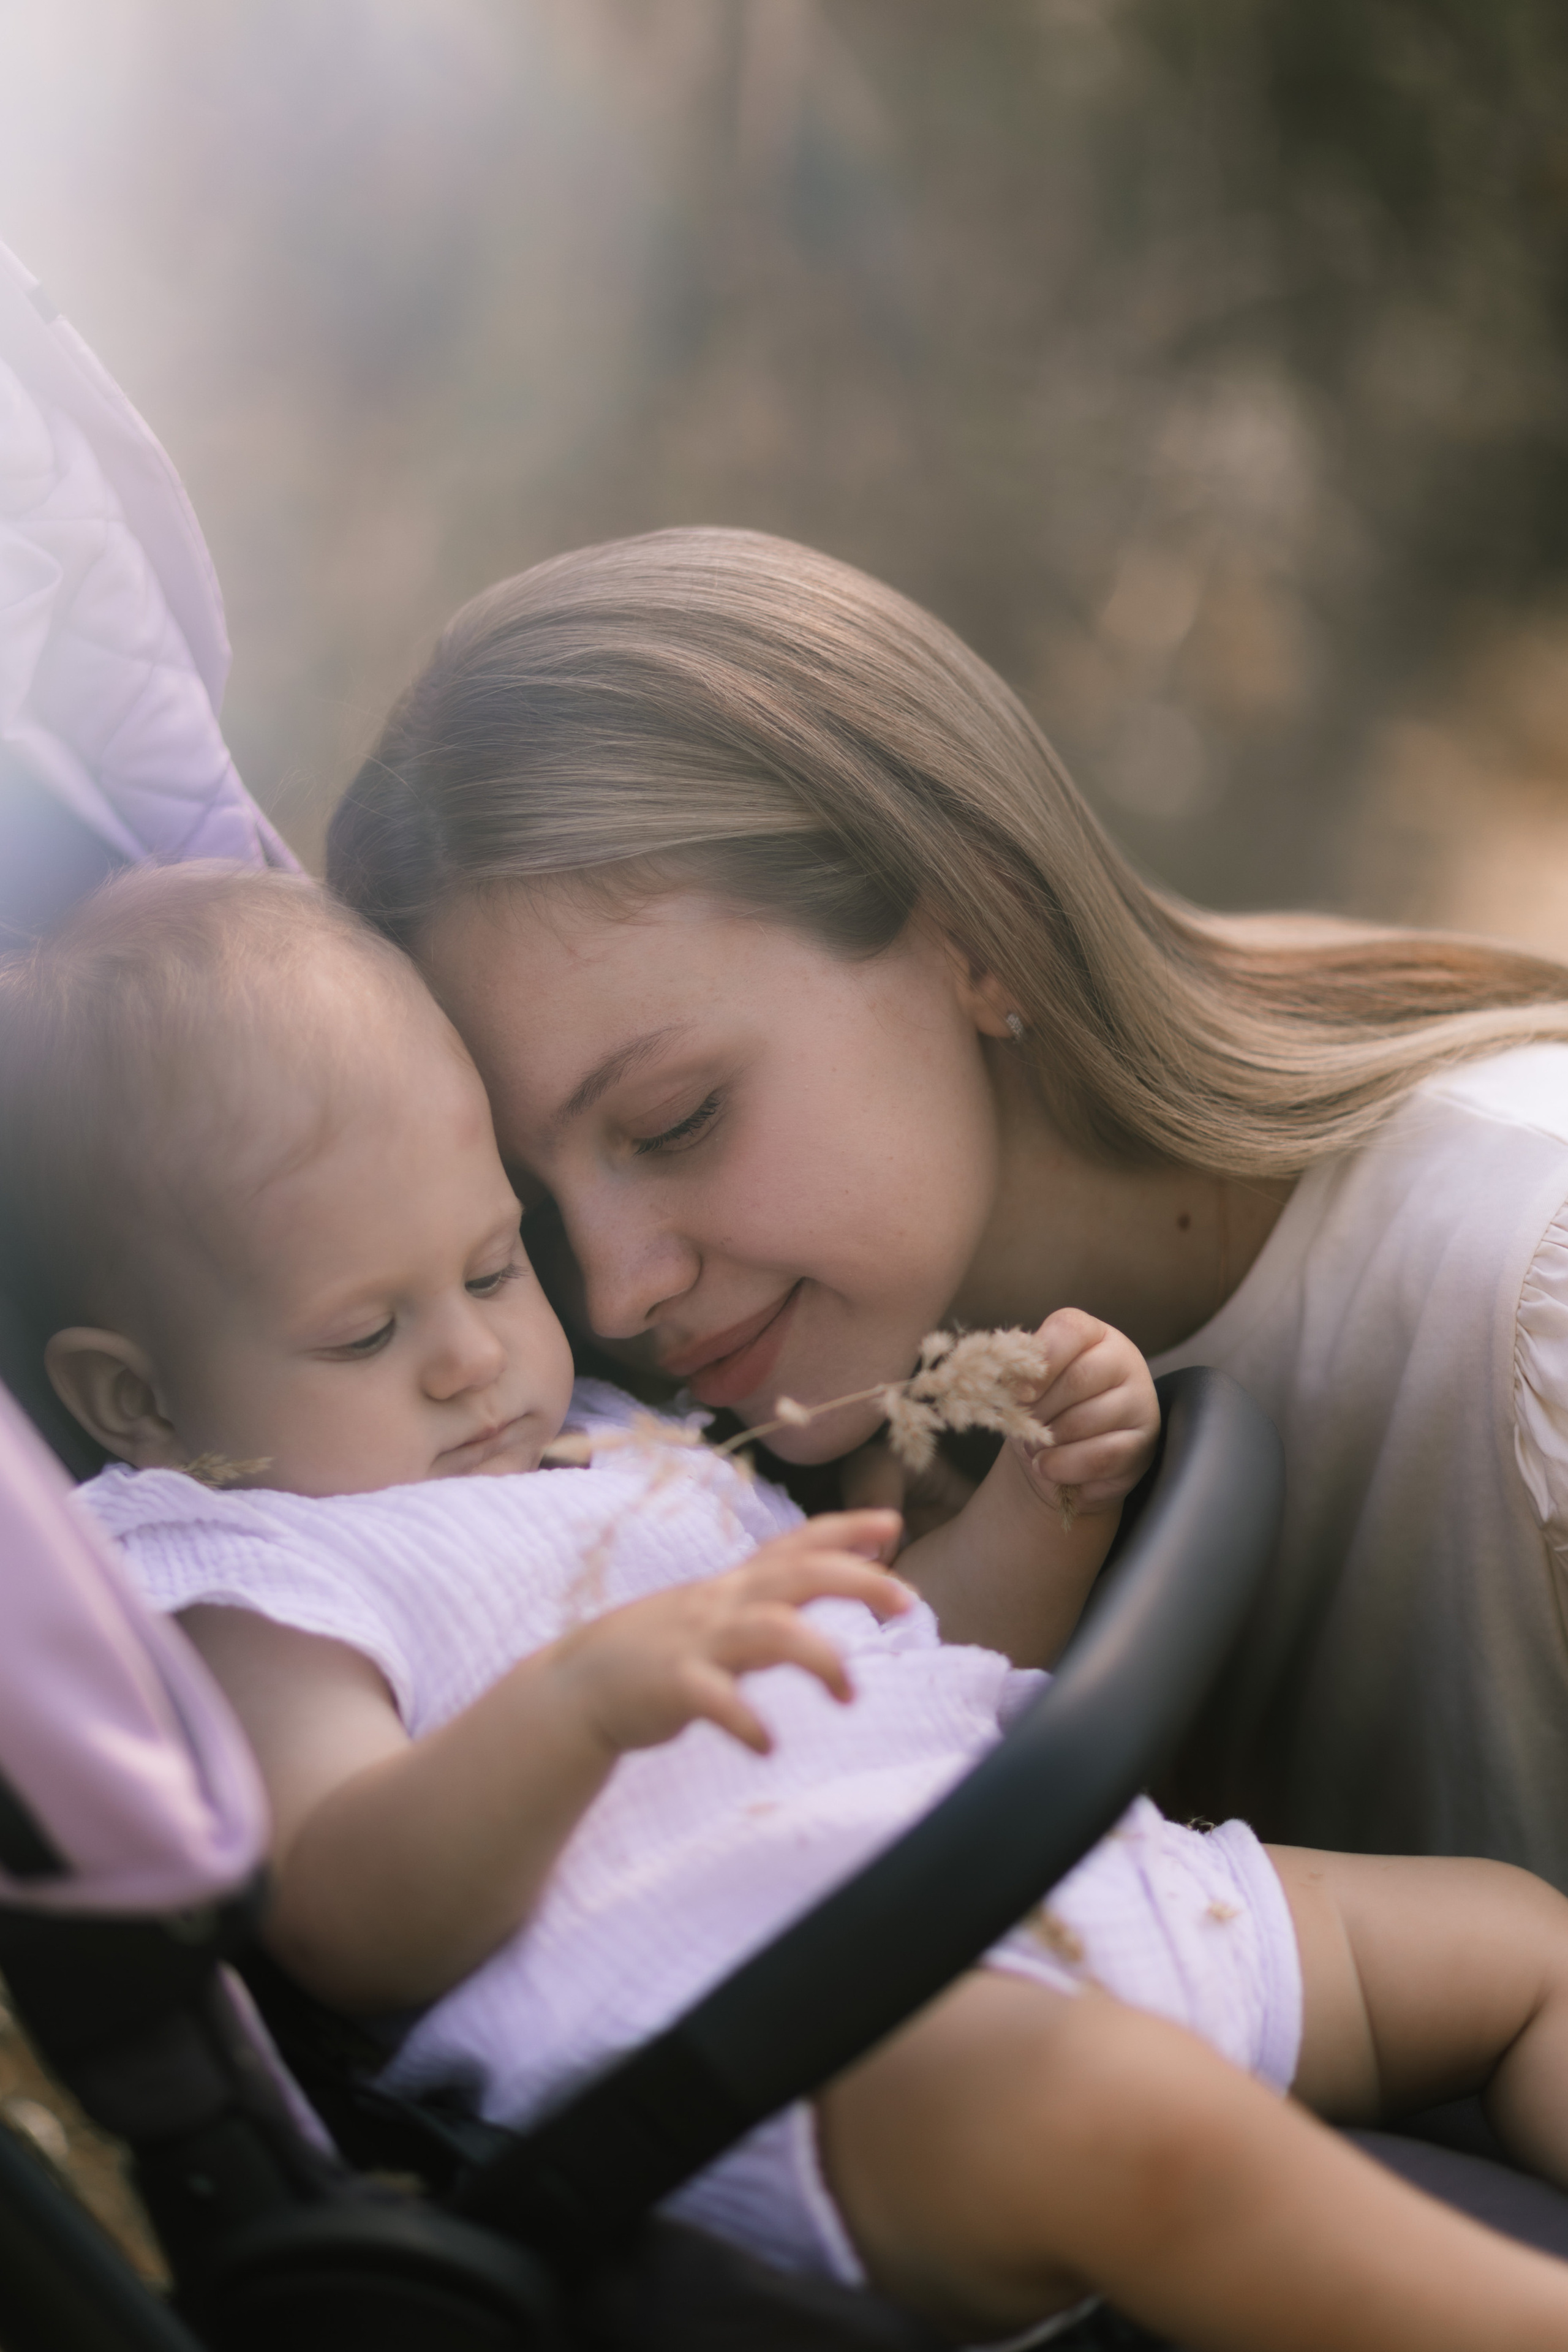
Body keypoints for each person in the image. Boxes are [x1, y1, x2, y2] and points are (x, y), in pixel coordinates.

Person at [10, 867, 1568, 2352]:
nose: (469, 1358)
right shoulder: (238, 1566)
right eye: (363, 1331)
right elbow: (342, 1913)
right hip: (812, 2066)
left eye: (492, 1269)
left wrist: (1047, 1506)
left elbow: (909, 1657)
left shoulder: (600, 1453)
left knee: (1514, 1946)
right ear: (133, 1399)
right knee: (1111, 2121)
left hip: (1067, 1889)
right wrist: (578, 1707)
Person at [327, 524, 1568, 1890]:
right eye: (533, 1230)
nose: (615, 1291)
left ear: (975, 931)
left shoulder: (1527, 1287)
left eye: (677, 1119)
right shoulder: (729, 1503)